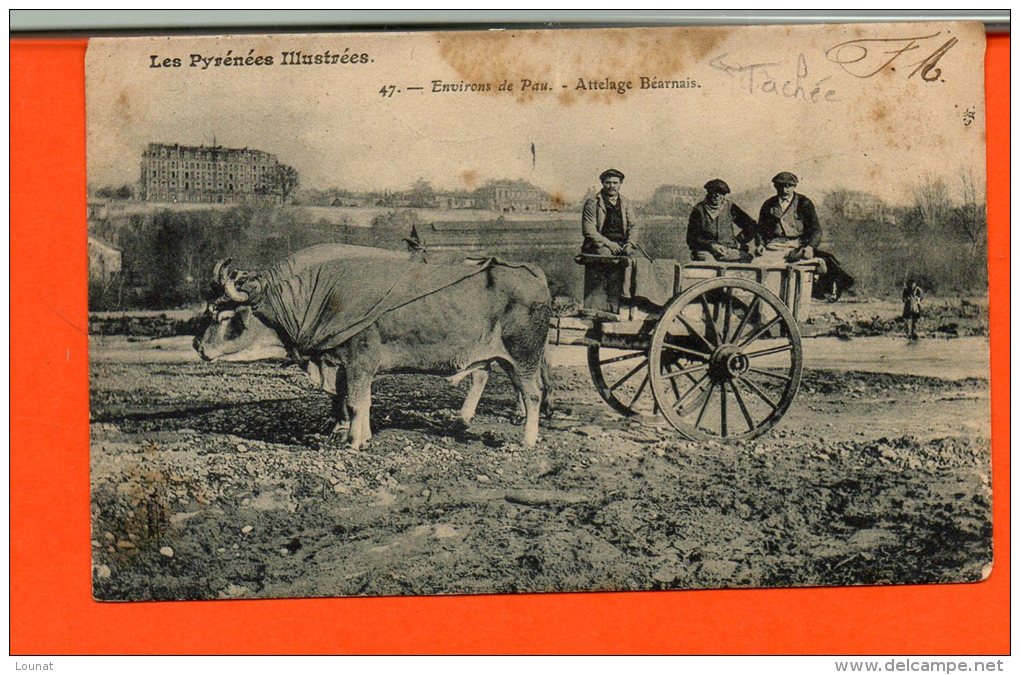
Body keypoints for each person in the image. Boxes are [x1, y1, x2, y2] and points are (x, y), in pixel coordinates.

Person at [757, 171, 855, 301]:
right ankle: (770, 298)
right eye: (781, 186)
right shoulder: (769, 204)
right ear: (775, 186)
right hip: (775, 245)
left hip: (797, 244)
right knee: (759, 264)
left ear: (794, 186)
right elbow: (760, 229)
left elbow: (816, 230)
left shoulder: (804, 203)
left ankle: (814, 291)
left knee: (814, 263)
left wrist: (810, 247)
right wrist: (760, 244)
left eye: (788, 186)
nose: (785, 190)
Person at [686, 178, 759, 262]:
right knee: (709, 267)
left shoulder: (729, 207)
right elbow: (691, 238)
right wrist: (711, 245)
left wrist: (738, 241)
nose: (717, 196)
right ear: (708, 193)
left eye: (721, 193)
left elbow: (751, 225)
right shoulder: (699, 210)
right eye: (714, 192)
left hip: (727, 250)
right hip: (706, 251)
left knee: (747, 262)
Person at [581, 168, 639, 255]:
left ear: (620, 183)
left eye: (615, 183)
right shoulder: (592, 203)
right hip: (600, 245)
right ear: (602, 183)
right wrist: (609, 244)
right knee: (608, 257)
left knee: (640, 261)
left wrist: (630, 243)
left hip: (622, 244)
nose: (612, 186)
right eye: (608, 182)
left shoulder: (625, 202)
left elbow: (633, 226)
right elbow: (589, 230)